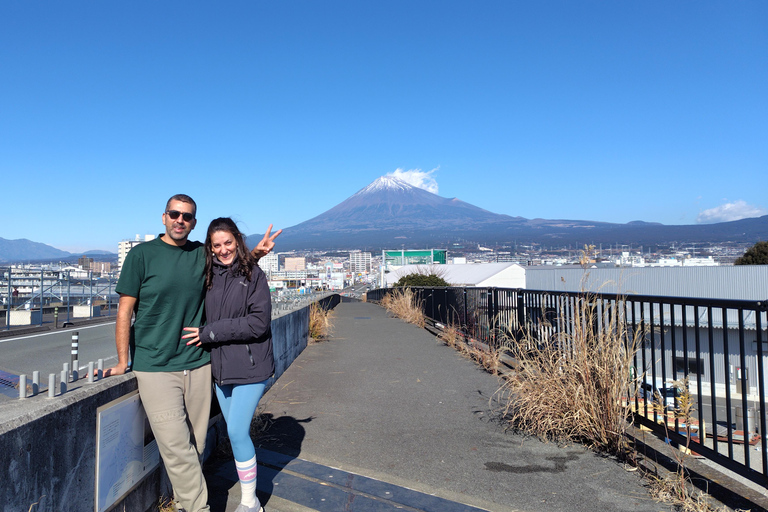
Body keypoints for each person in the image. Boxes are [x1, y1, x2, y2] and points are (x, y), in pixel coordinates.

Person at [104, 194, 279, 512]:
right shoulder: (141, 255)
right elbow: (124, 310)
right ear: (164, 217)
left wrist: (255, 255)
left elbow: (234, 269)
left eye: (186, 216)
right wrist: (121, 360)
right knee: (177, 447)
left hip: (199, 365)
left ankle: (186, 502)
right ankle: (199, 508)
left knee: (196, 447)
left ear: (194, 222)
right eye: (174, 214)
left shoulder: (201, 255)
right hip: (156, 365)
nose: (179, 219)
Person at [182, 218, 273, 512]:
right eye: (216, 245)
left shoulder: (254, 275)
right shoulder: (208, 276)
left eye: (228, 243)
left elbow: (258, 323)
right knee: (236, 435)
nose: (223, 250)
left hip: (250, 367)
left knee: (235, 432)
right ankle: (250, 497)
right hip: (221, 370)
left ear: (238, 240)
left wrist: (210, 333)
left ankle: (250, 502)